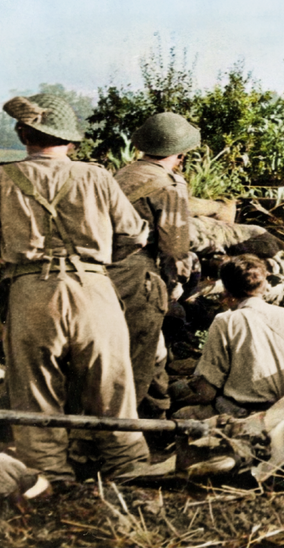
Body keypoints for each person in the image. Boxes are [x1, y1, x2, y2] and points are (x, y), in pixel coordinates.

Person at [0, 93, 151, 477]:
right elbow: (134, 236)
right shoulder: (96, 176)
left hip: (32, 292)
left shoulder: (3, 178)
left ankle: (49, 477)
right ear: (70, 141)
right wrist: (95, 262)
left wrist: (12, 251)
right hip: (93, 289)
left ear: (21, 133)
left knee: (36, 393)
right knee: (112, 387)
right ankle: (128, 471)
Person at [109, 112, 198, 412]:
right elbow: (174, 245)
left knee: (145, 348)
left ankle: (156, 410)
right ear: (180, 154)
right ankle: (125, 430)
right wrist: (176, 283)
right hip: (138, 275)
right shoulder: (169, 185)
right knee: (139, 353)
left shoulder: (122, 174)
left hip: (102, 272)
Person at [172, 254, 284, 417]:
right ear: (264, 285)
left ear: (226, 290)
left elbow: (206, 392)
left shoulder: (226, 321)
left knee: (181, 415)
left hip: (251, 414)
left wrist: (176, 393)